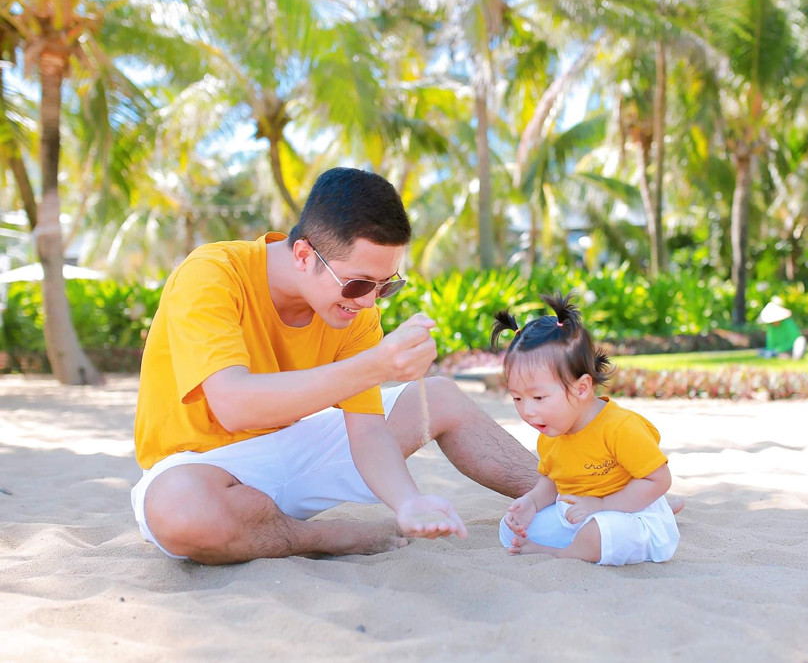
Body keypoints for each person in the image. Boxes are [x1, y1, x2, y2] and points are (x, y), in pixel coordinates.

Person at [131, 167, 539, 565]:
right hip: (200, 466)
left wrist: (407, 501)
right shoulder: (212, 274)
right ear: (303, 255)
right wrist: (375, 366)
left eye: (386, 285)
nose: (369, 301)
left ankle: (563, 492)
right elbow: (233, 405)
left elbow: (367, 431)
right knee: (181, 512)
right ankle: (325, 538)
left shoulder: (355, 309)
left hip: (294, 453)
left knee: (440, 397)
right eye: (358, 283)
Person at [490, 293, 681, 566]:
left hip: (628, 514)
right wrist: (531, 502)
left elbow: (658, 480)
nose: (527, 411)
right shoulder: (551, 432)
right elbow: (553, 481)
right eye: (517, 398)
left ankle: (563, 553)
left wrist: (601, 506)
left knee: (598, 533)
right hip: (578, 513)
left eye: (538, 397)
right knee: (510, 530)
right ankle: (577, 542)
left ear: (581, 388)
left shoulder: (619, 428)